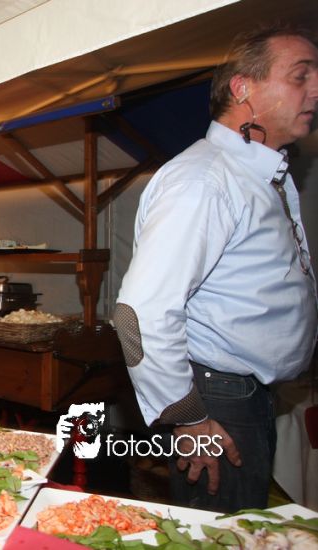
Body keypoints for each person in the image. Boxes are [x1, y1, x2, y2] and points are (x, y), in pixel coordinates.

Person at [114, 23, 318, 513]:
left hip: (244, 397)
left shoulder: (254, 175)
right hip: (217, 405)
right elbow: (137, 315)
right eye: (301, 76)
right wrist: (188, 418)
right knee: (224, 536)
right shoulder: (205, 180)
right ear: (242, 88)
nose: (315, 90)